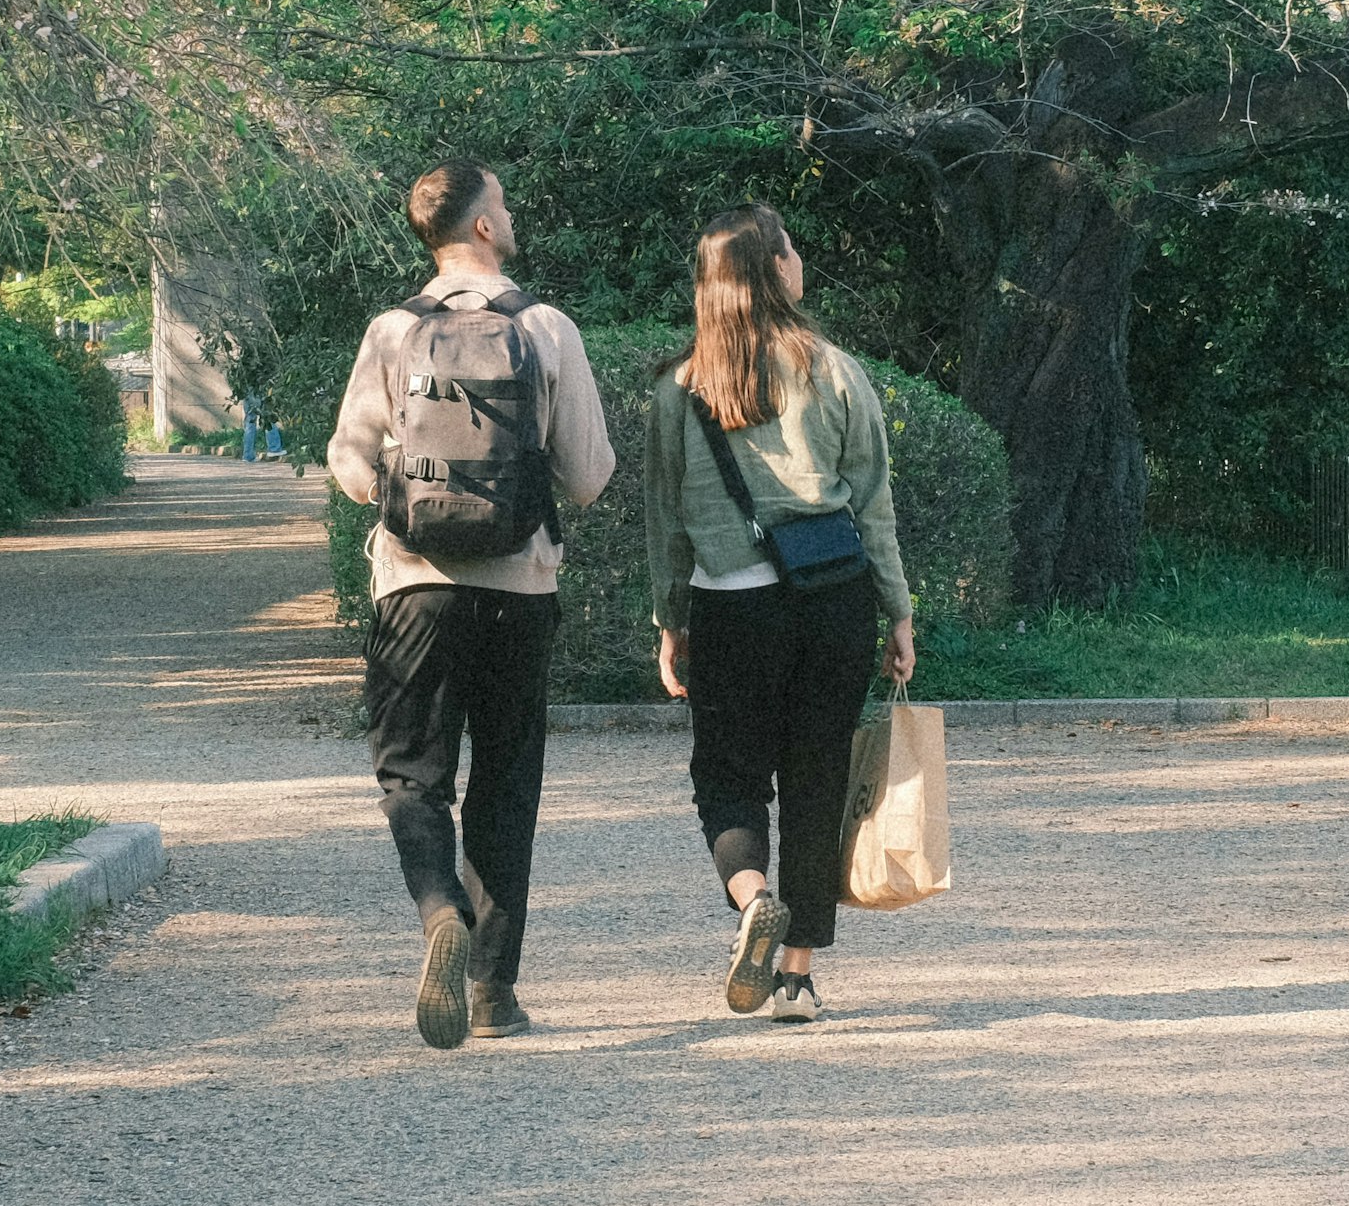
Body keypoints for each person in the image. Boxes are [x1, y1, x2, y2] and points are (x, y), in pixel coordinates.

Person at [326, 161, 616, 1048]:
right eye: (507, 200)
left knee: (412, 774)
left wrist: (401, 499)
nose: (514, 211)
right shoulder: (546, 328)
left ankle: (438, 911)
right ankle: (493, 992)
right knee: (506, 780)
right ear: (483, 226)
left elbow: (346, 458)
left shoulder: (391, 331)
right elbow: (590, 477)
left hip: (414, 586)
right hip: (520, 588)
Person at [647, 202, 915, 1023]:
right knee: (816, 780)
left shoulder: (678, 389)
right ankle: (795, 975)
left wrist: (670, 620)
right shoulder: (834, 371)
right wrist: (898, 612)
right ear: (774, 272)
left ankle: (753, 896)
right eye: (791, 251)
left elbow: (667, 521)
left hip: (731, 609)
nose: (800, 262)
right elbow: (873, 506)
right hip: (832, 603)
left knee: (727, 777)